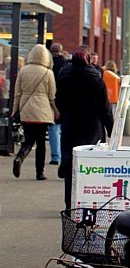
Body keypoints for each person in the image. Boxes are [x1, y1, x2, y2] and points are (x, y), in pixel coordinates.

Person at [56, 47, 113, 209]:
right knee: (90, 167)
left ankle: (69, 205)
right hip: (92, 129)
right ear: (88, 60)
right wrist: (112, 129)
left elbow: (58, 100)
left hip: (70, 127)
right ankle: (88, 203)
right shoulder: (97, 80)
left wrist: (66, 113)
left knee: (70, 168)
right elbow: (105, 109)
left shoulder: (65, 78)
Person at [11, 45, 58, 180]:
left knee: (28, 140)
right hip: (42, 112)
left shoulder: (23, 71)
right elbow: (52, 95)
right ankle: (39, 172)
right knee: (41, 143)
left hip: (26, 110)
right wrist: (56, 110)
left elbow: (17, 94)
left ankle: (19, 157)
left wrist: (15, 111)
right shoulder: (48, 73)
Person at [48, 43, 67, 165]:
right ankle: (64, 155)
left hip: (51, 99)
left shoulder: (48, 65)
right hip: (64, 100)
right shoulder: (66, 65)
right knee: (64, 129)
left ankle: (55, 156)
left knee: (53, 128)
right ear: (61, 50)